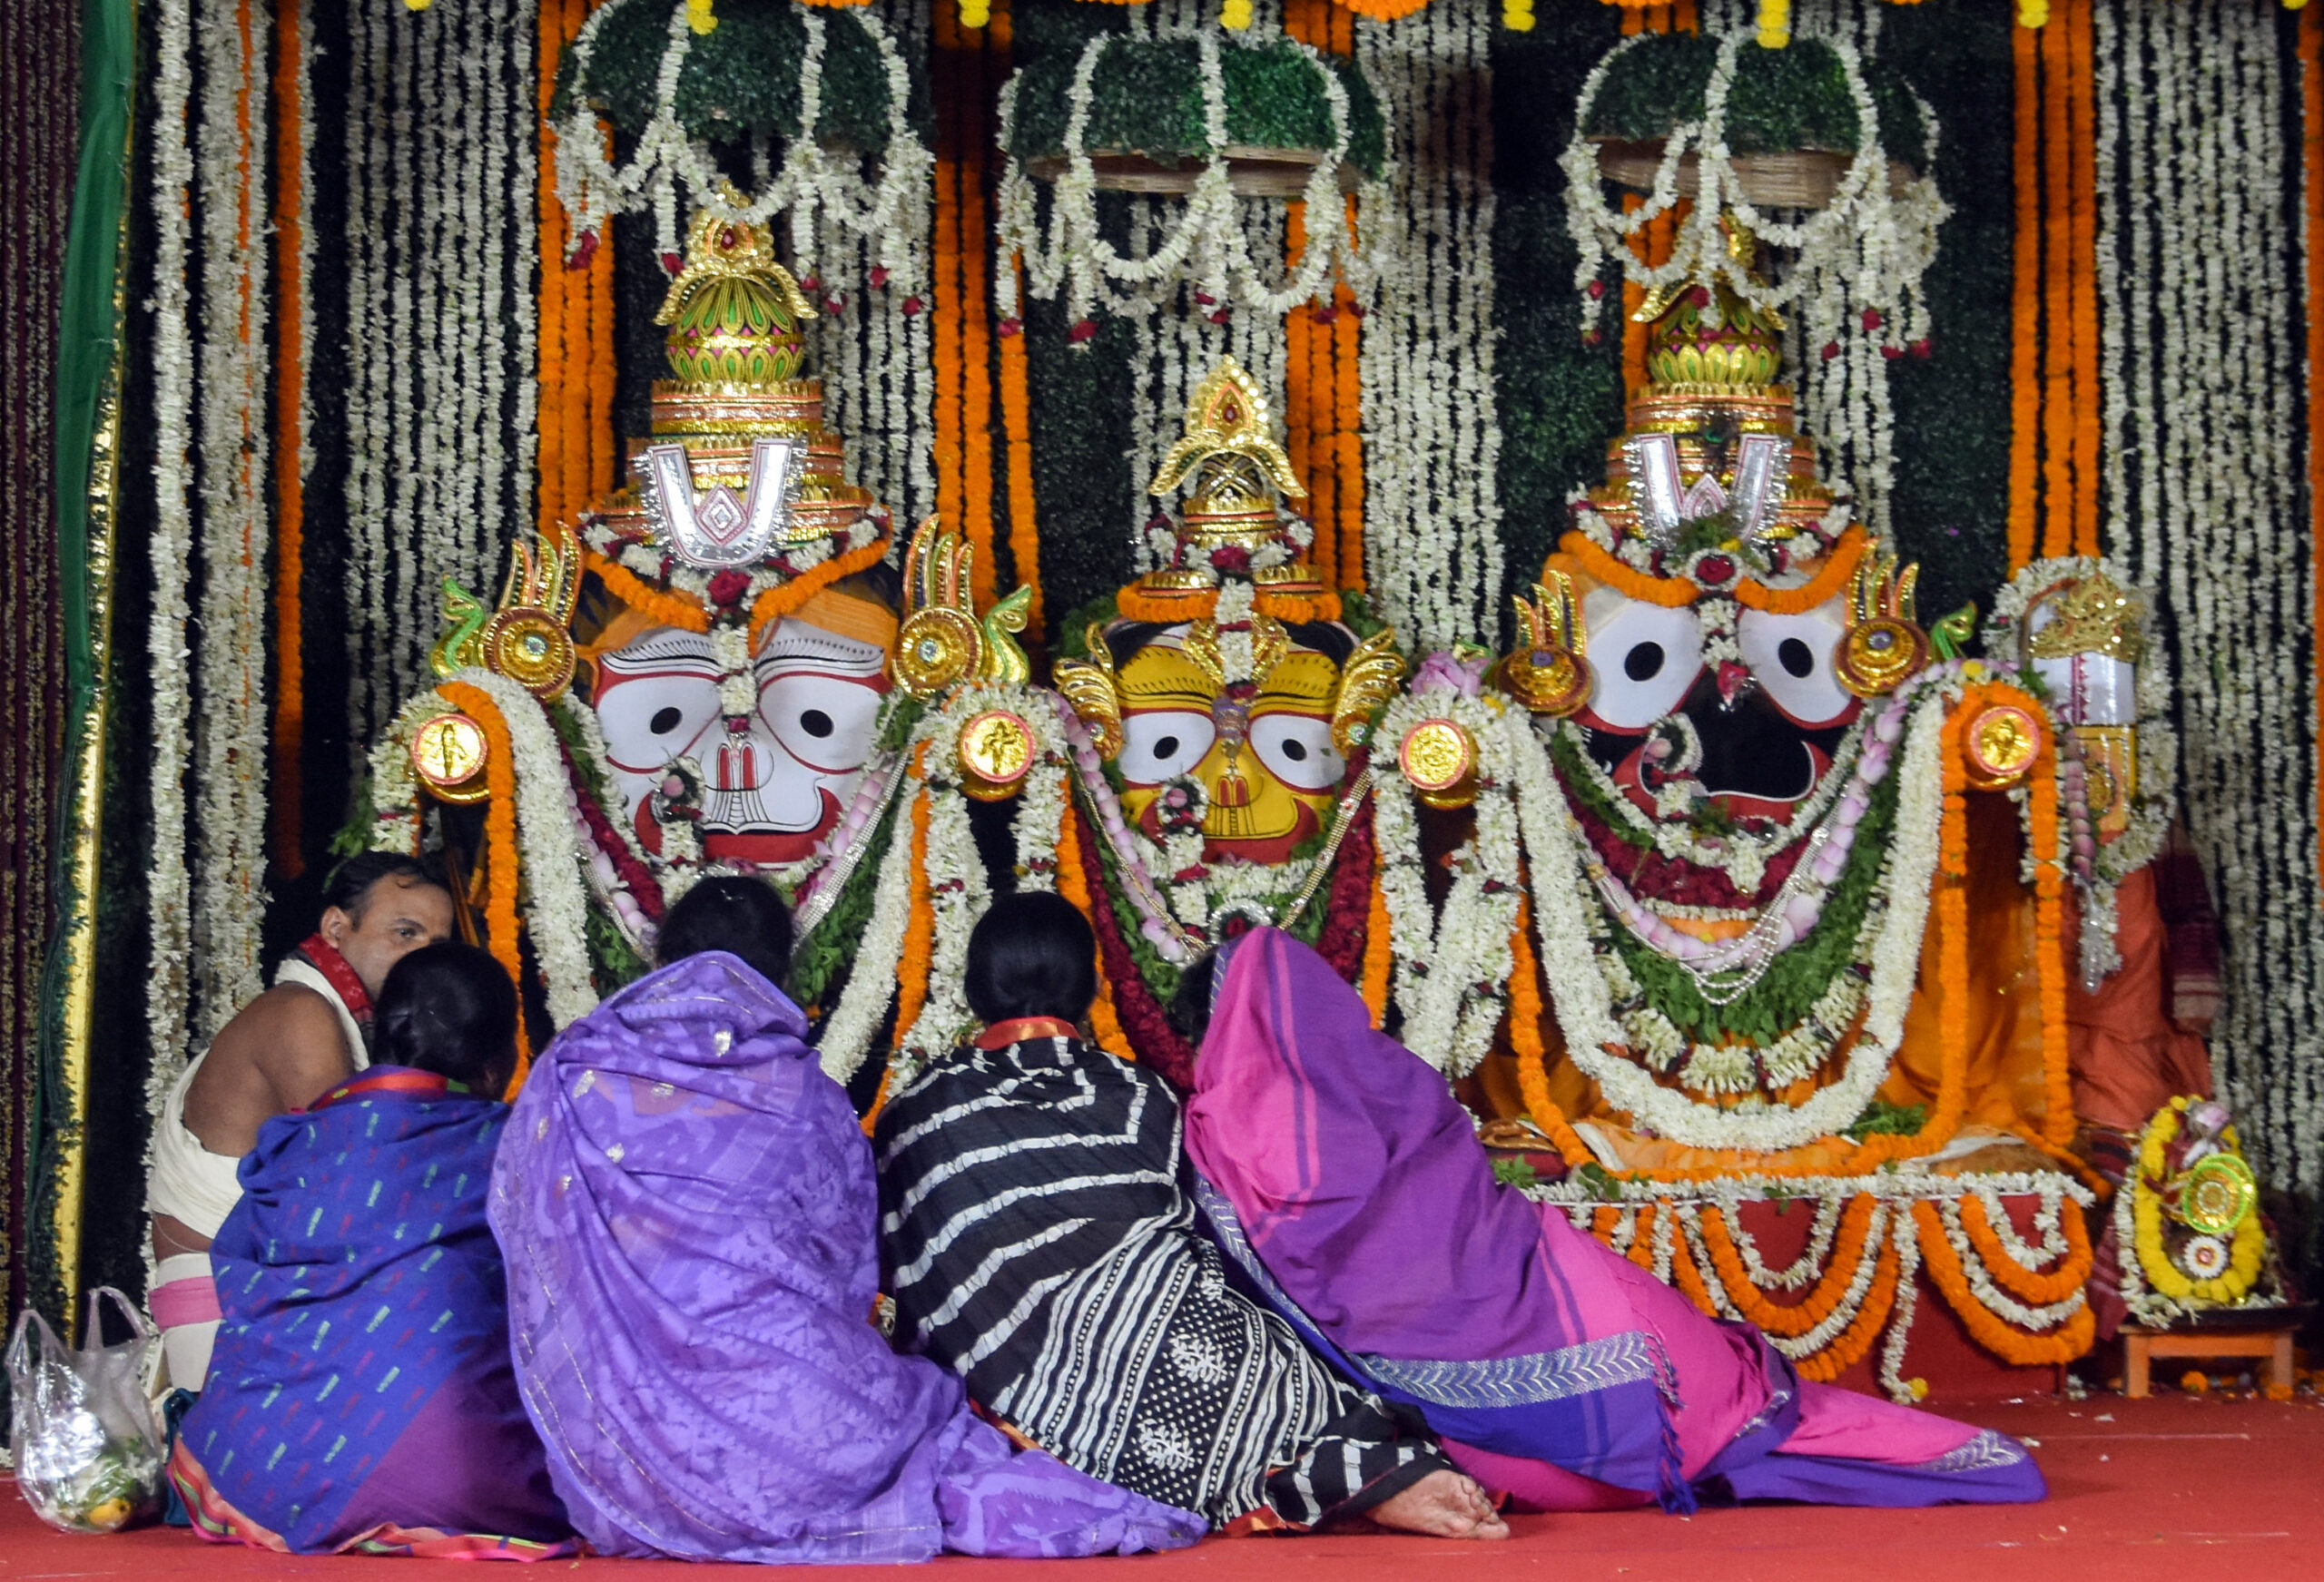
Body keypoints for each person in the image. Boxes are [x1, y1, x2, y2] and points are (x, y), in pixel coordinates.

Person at [1175, 929, 2049, 1514]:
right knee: (1741, 1419)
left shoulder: (1225, 1130)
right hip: (1585, 1301)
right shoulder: (1393, 1078)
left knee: (1715, 1438)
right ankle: (1948, 1455)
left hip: (1520, 1359)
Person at [490, 875, 1202, 1565]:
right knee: (923, 1411)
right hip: (791, 1433)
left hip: (614, 1453)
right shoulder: (804, 1095)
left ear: (665, 957)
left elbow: (524, 1239)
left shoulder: (571, 1072)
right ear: (779, 970)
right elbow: (847, 1273)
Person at [876, 892, 1506, 1540]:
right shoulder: (1133, 1091)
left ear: (974, 988)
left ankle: (1358, 1480)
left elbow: (910, 1267)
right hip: (1177, 1313)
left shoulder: (916, 1112)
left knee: (1149, 1367)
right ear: (1091, 986)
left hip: (1026, 1375)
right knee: (1261, 1358)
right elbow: (1208, 1223)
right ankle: (1371, 1472)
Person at [166, 943, 573, 1557]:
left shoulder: (288, 1146)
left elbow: (241, 1280)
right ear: (497, 1064)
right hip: (461, 1481)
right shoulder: (517, 1150)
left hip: (267, 1472)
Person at [147, 851, 454, 1392]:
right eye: (405, 933)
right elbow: (354, 1191)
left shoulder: (339, 1017)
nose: (422, 958)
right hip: (229, 1311)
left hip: (261, 1300)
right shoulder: (302, 1013)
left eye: (437, 945)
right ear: (336, 927)